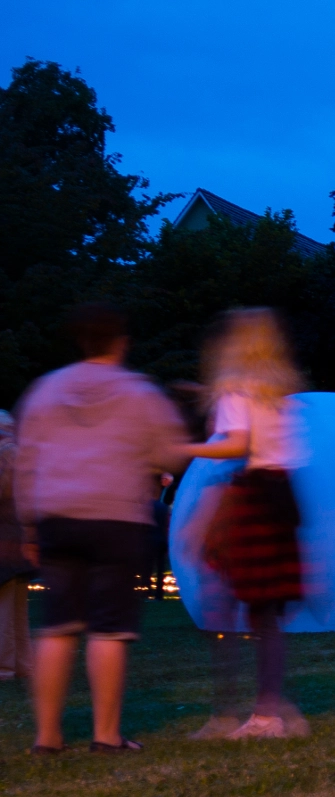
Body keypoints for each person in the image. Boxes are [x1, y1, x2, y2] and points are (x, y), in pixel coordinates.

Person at [15, 303, 190, 753]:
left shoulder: (44, 390)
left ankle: (47, 737)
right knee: (107, 629)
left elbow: (25, 464)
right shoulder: (138, 392)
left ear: (80, 340)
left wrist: (28, 529)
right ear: (121, 341)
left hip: (56, 517)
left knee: (57, 628)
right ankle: (106, 736)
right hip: (115, 518)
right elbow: (171, 454)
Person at [187, 308, 313, 740]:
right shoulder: (277, 392)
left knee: (226, 604)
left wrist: (183, 447)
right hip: (280, 496)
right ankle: (269, 708)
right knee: (261, 613)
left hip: (254, 498)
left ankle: (256, 714)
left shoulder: (237, 389)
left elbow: (239, 443)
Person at [0, 410, 30, 681]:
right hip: (19, 535)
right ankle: (22, 664)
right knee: (17, 608)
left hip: (5, 536)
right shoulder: (21, 452)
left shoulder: (5, 453)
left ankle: (5, 667)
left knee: (4, 607)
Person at [149, 471, 175, 597]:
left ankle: (149, 592)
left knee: (150, 566)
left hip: (154, 538)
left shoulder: (155, 504)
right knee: (159, 567)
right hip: (162, 539)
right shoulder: (163, 506)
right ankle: (158, 594)